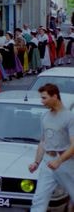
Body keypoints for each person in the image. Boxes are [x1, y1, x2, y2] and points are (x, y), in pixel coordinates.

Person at [28, 84, 74, 212]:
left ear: (55, 96)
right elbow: (43, 142)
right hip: (47, 163)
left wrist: (59, 161)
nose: (42, 101)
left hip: (66, 164)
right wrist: (36, 162)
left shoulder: (69, 117)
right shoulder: (45, 117)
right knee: (39, 199)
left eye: (44, 98)